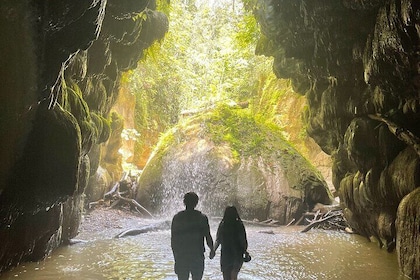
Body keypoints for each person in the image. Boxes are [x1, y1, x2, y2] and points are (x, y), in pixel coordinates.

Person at [171, 192, 214, 280]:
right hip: (197, 256)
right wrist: (212, 249)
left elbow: (174, 240)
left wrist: (176, 258)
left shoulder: (177, 218)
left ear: (184, 202)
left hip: (182, 256)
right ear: (196, 203)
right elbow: (208, 236)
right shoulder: (202, 218)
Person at [210, 206, 248, 280]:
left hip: (225, 255)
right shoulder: (239, 224)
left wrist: (213, 250)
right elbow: (243, 240)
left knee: (226, 277)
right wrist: (245, 252)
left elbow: (218, 240)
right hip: (237, 254)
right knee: (234, 275)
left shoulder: (222, 225)